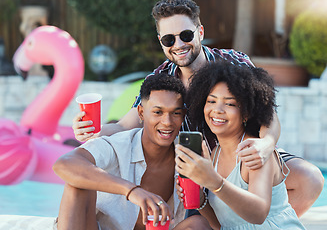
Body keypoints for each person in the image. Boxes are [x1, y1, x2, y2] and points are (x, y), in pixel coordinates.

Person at [72, 0, 324, 217]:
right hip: (194, 171)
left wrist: (266, 145)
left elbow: (269, 115)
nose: (178, 45)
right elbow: (124, 125)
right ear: (161, 41)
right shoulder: (160, 79)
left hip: (243, 158)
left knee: (310, 180)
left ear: (200, 32)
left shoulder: (234, 62)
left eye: (186, 35)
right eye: (169, 39)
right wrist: (92, 132)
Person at [53, 74, 211, 230]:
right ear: (141, 113)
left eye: (175, 113)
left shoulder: (187, 157)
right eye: (158, 112)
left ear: (183, 116)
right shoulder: (118, 145)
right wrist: (132, 191)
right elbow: (63, 164)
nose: (167, 122)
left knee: (198, 224)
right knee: (77, 184)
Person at [175, 60, 306, 229]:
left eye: (229, 103)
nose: (218, 110)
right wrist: (200, 199)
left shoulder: (255, 152)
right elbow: (222, 225)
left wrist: (213, 181)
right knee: (192, 224)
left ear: (246, 113)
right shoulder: (215, 154)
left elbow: (258, 214)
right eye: (211, 101)